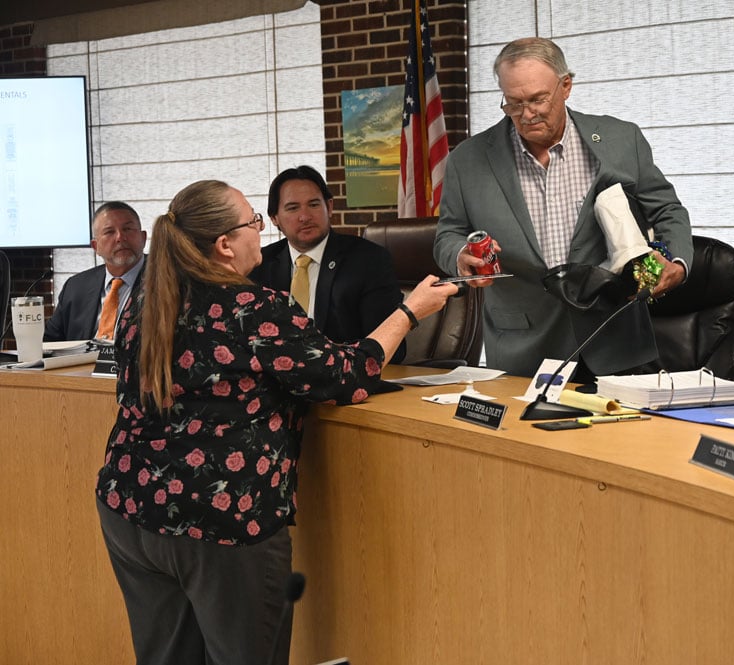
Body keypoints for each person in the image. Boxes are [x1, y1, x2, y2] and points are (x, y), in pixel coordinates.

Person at [95, 180, 456, 665]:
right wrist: (410, 312)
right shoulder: (252, 308)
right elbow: (346, 375)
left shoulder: (146, 301)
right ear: (225, 245)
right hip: (220, 519)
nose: (259, 233)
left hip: (127, 504)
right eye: (253, 222)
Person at [433, 37, 693, 378]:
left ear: (566, 86)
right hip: (522, 348)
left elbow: (667, 210)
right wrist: (460, 255)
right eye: (513, 104)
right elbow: (448, 233)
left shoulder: (619, 139)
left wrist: (675, 262)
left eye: (538, 99)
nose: (526, 115)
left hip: (614, 337)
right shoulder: (468, 160)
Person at [250, 165, 407, 363]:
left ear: (330, 207)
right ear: (274, 218)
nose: (305, 216)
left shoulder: (368, 260)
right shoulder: (260, 264)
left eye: (314, 205)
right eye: (293, 208)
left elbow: (390, 348)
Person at [44, 201, 146, 341]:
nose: (120, 238)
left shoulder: (168, 279)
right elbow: (50, 344)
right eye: (109, 232)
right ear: (95, 246)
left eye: (127, 229)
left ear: (143, 238)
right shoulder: (76, 287)